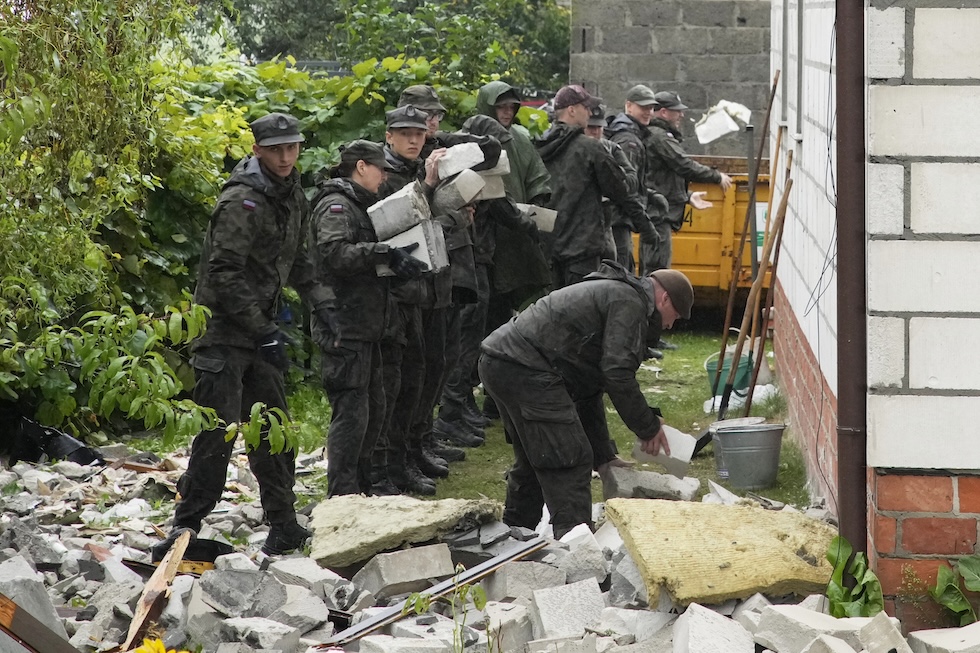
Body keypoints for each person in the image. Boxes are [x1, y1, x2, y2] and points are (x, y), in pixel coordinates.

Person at [153, 112, 338, 559]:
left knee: (274, 430)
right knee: (217, 435)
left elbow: (298, 260)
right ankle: (186, 528)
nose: (285, 156)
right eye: (276, 149)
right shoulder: (243, 200)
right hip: (222, 333)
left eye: (291, 147)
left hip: (259, 332)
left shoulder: (291, 192)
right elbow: (223, 273)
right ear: (257, 151)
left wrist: (325, 303)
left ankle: (284, 524)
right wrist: (263, 329)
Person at [478, 260, 694, 539]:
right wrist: (649, 427)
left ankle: (513, 539)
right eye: (674, 316)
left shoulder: (617, 293)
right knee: (570, 456)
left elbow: (590, 387)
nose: (669, 325)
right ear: (665, 298)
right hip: (525, 365)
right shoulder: (630, 303)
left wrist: (604, 456)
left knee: (537, 456)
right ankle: (576, 548)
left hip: (503, 359)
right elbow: (617, 374)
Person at [308, 140, 422, 497]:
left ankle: (361, 487)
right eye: (379, 169)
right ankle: (342, 494)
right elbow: (334, 254)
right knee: (352, 414)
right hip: (344, 326)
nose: (384, 176)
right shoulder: (337, 206)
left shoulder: (360, 205)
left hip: (367, 326)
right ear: (360, 167)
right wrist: (382, 252)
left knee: (374, 408)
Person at [473, 80, 552, 423]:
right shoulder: (473, 140)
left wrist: (534, 209)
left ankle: (499, 398)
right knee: (484, 323)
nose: (506, 113)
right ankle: (480, 398)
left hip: (517, 242)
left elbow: (538, 178)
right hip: (485, 243)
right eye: (500, 107)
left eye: (511, 107)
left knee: (516, 317)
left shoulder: (519, 138)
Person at [534, 85, 652, 289]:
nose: (590, 112)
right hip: (582, 251)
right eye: (585, 107)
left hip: (547, 249)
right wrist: (646, 226)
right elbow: (620, 190)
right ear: (571, 110)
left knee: (552, 314)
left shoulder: (538, 147)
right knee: (582, 314)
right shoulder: (590, 149)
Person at [644, 90, 733, 271]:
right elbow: (683, 164)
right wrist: (716, 176)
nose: (681, 115)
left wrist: (687, 195)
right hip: (658, 214)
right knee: (657, 272)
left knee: (657, 269)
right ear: (663, 112)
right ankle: (652, 300)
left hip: (659, 211)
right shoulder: (659, 137)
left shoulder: (657, 135)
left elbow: (665, 176)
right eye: (677, 111)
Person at [604, 84, 671, 272]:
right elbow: (623, 188)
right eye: (643, 107)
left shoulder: (631, 134)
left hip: (617, 219)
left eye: (651, 108)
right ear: (628, 105)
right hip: (618, 221)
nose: (648, 112)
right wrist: (645, 225)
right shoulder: (628, 141)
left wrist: (649, 195)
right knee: (622, 275)